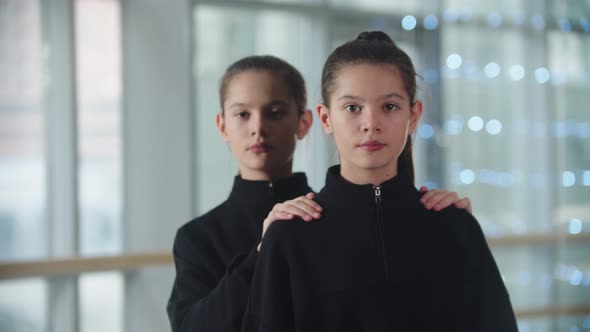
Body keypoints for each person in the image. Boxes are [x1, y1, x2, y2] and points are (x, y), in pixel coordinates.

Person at [166, 55, 472, 332]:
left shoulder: (335, 220)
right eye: (242, 115)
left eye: (275, 113)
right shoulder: (198, 237)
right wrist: (263, 253)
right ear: (222, 126)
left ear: (305, 122)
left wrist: (446, 232)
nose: (258, 128)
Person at [242, 32, 517, 332]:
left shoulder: (455, 228)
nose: (370, 123)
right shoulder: (289, 237)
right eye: (352, 108)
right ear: (325, 118)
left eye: (389, 107)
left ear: (413, 116)